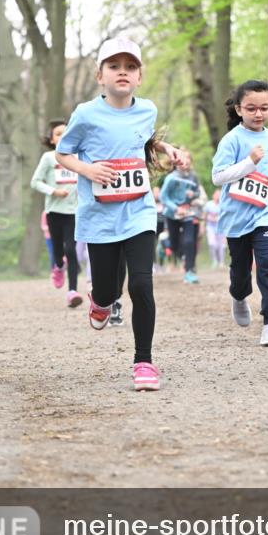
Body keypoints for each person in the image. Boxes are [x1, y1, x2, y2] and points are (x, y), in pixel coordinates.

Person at [54, 36, 182, 391]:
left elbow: (142, 140)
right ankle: (101, 301)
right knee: (109, 289)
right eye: (114, 67)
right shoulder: (86, 114)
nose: (122, 73)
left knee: (141, 283)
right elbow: (63, 155)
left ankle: (144, 362)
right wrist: (89, 170)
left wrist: (167, 147)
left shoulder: (148, 110)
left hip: (139, 210)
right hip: (99, 215)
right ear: (100, 76)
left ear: (139, 76)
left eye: (130, 67)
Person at [212, 80, 268, 347]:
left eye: (264, 108)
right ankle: (238, 295)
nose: (259, 114)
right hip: (237, 216)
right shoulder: (231, 140)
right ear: (239, 109)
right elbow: (218, 176)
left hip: (265, 212)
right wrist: (249, 162)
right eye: (252, 108)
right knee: (240, 271)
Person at [30, 120, 82, 308]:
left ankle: (72, 291)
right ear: (52, 139)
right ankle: (58, 266)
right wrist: (54, 191)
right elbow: (35, 182)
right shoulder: (49, 157)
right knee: (59, 251)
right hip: (54, 211)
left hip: (74, 211)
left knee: (71, 249)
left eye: (66, 132)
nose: (62, 136)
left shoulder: (78, 156)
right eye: (58, 133)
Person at [160, 149, 207, 283]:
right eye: (181, 159)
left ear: (190, 162)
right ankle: (166, 244)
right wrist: (176, 208)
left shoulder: (194, 177)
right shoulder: (171, 177)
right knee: (175, 245)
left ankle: (189, 271)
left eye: (187, 159)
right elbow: (163, 197)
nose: (184, 162)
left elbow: (198, 192)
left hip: (188, 213)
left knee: (189, 241)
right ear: (176, 162)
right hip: (172, 214)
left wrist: (194, 196)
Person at [203, 188, 226, 267]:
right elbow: (204, 216)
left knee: (221, 245)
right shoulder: (209, 204)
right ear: (213, 195)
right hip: (210, 227)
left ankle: (221, 262)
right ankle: (214, 261)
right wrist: (203, 226)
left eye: (219, 195)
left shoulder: (223, 205)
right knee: (212, 244)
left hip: (221, 228)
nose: (218, 196)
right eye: (217, 194)